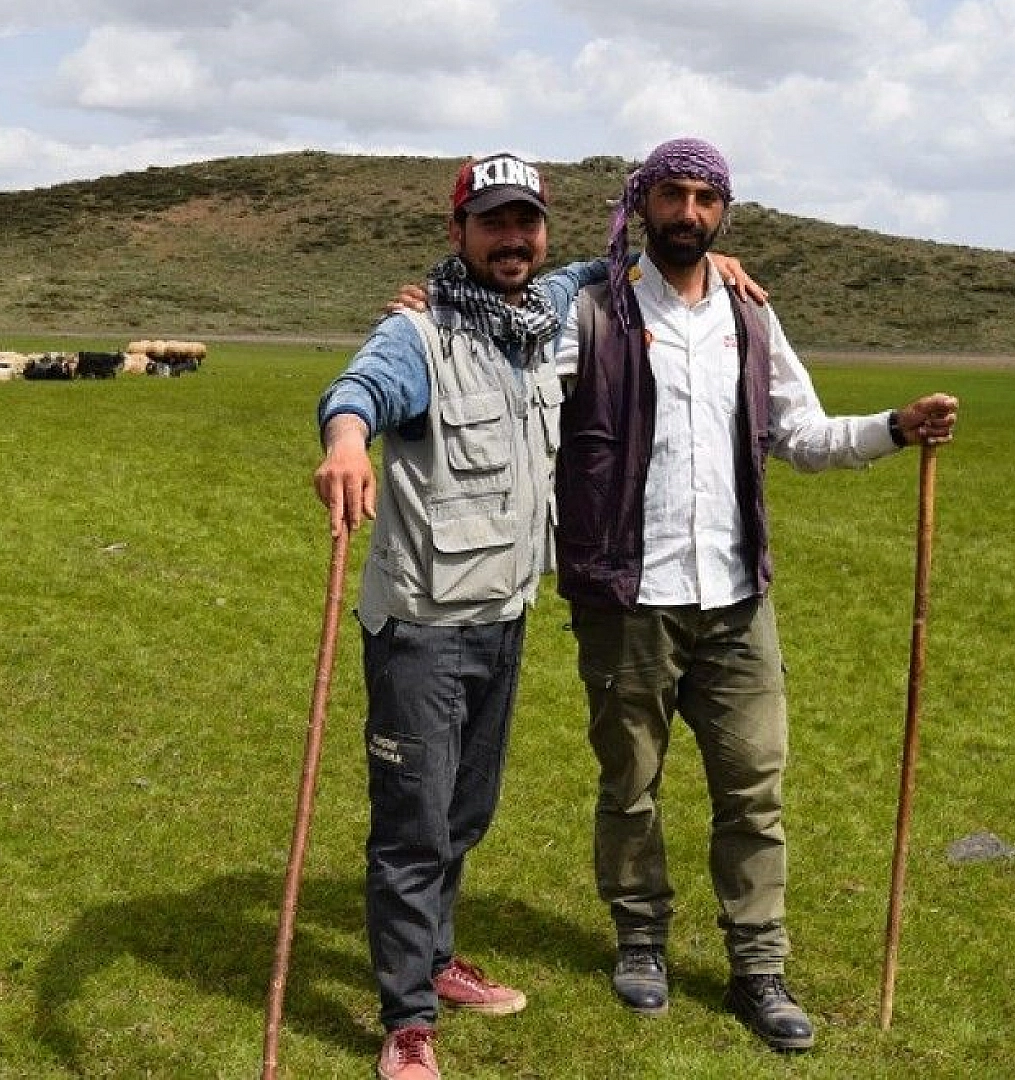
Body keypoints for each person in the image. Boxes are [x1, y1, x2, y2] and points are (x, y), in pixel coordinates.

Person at [314, 152, 761, 1080]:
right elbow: (358, 391)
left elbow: (628, 259)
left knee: (464, 812)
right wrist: (347, 443)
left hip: (503, 616)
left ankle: (437, 960)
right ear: (458, 234)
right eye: (492, 224)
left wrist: (711, 263)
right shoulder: (418, 334)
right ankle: (407, 1021)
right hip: (422, 626)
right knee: (412, 827)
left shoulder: (545, 314)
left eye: (525, 223)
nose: (511, 239)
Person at [552, 137, 959, 1053]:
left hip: (737, 602)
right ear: (642, 203)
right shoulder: (592, 313)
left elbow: (802, 435)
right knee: (630, 786)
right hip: (626, 598)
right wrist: (430, 304)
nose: (688, 213)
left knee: (755, 790)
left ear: (723, 212)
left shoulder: (750, 319)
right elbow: (514, 367)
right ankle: (641, 942)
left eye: (705, 199)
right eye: (671, 195)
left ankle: (759, 967)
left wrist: (895, 428)